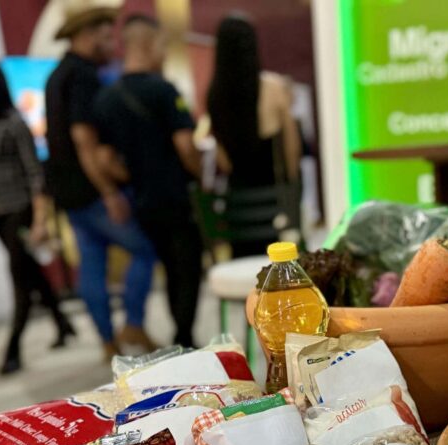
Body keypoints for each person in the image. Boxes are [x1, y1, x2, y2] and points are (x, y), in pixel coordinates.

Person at [45, 6, 158, 360]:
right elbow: (84, 140)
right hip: (93, 191)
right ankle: (134, 324)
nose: (113, 44)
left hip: (68, 191)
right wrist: (109, 190)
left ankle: (109, 343)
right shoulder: (82, 76)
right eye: (108, 36)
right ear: (89, 34)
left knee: (91, 264)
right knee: (143, 249)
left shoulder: (57, 75)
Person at [93, 15, 203, 348]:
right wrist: (201, 175)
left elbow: (104, 159)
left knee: (169, 269)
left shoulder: (107, 99)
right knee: (187, 269)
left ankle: (181, 334)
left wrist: (134, 175)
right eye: (161, 45)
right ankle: (185, 335)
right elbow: (186, 146)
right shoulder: (164, 90)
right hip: (175, 197)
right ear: (148, 44)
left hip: (142, 201)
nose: (164, 54)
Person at [0, 57, 75, 375]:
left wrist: (39, 219)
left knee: (19, 277)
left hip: (19, 209)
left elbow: (34, 173)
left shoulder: (13, 122)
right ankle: (63, 323)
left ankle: (13, 348)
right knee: (30, 271)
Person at [206, 14, 302, 256]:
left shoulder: (214, 96)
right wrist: (293, 189)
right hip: (274, 207)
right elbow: (292, 150)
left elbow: (224, 162)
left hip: (238, 210)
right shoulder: (274, 88)